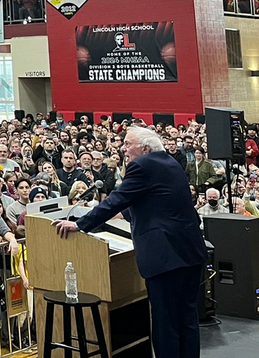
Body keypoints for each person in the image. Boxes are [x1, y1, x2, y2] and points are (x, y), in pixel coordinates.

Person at [53, 126, 208, 358]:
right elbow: (156, 201)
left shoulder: (142, 166)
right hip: (190, 251)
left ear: (144, 148)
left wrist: (79, 224)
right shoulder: (170, 163)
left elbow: (117, 199)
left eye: (127, 144)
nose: (123, 149)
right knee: (187, 319)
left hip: (165, 257)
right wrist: (123, 215)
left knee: (166, 324)